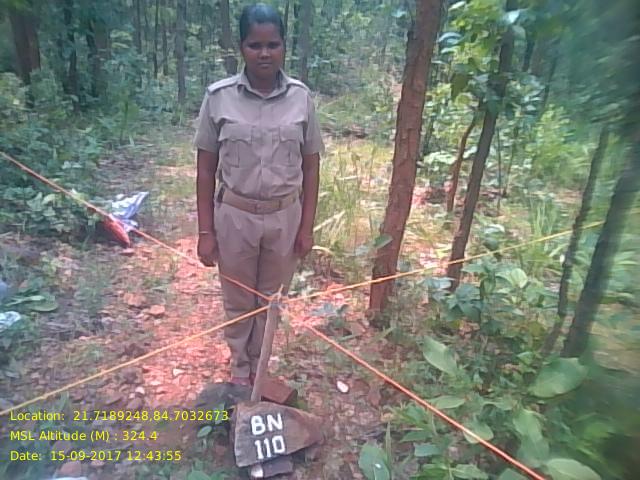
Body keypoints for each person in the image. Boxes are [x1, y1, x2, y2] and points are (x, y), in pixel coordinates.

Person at [193, 3, 324, 386]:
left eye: (272, 44)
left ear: (284, 46)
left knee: (270, 299)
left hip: (284, 217)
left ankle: (260, 367)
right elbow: (205, 170)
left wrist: (307, 227)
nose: (264, 53)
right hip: (235, 217)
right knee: (238, 299)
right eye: (255, 45)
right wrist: (205, 232)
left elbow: (312, 167)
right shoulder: (219, 97)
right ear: (241, 48)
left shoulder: (301, 98)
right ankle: (239, 371)